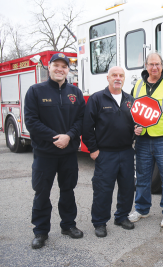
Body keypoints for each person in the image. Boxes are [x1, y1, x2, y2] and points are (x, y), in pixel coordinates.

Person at [24, 53, 86, 249]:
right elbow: (32, 122)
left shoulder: (75, 93)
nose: (60, 69)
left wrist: (68, 136)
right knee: (42, 193)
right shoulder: (35, 91)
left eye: (64, 66)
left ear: (68, 70)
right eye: (56, 65)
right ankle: (40, 232)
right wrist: (55, 138)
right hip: (45, 154)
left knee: (67, 191)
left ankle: (68, 225)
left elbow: (81, 120)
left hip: (68, 154)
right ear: (49, 67)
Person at [128, 52, 163, 228]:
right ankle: (141, 209)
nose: (154, 68)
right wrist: (133, 127)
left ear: (162, 65)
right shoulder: (137, 86)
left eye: (157, 64)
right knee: (143, 177)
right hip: (143, 140)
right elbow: (131, 111)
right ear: (146, 66)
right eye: (151, 64)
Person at [83, 66, 138, 238]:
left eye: (121, 75)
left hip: (127, 152)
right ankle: (99, 222)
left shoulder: (130, 100)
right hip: (105, 153)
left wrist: (138, 129)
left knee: (128, 187)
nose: (118, 78)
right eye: (114, 75)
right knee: (103, 189)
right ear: (108, 78)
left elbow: (137, 122)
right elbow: (87, 126)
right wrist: (93, 149)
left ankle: (121, 217)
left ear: (124, 79)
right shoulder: (97, 98)